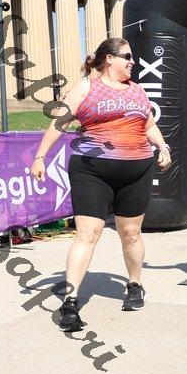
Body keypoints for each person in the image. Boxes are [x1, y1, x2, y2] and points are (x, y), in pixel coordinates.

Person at [31, 38, 172, 331]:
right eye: (127, 56)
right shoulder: (86, 88)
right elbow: (59, 123)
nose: (133, 62)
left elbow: (148, 125)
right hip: (92, 171)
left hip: (137, 170)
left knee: (130, 233)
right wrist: (40, 156)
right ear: (109, 59)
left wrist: (163, 147)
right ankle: (70, 302)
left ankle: (134, 284)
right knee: (87, 234)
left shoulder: (137, 90)